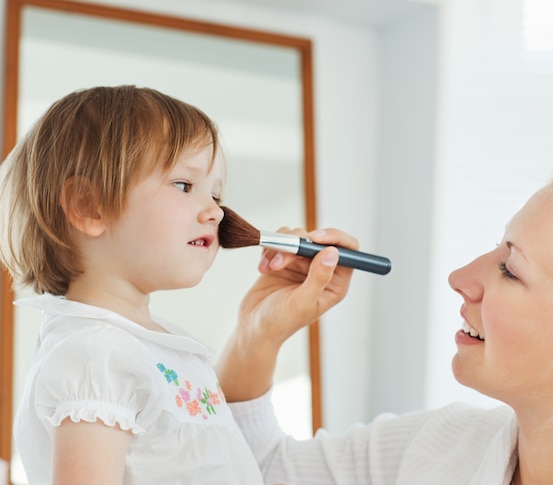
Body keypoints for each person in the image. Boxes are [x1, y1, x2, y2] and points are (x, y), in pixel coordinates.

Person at [0, 85, 354, 485]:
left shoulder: (157, 346)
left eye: (216, 193)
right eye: (185, 186)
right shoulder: (96, 354)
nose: (216, 212)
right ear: (89, 206)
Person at [215, 164, 553, 484]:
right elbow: (256, 468)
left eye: (510, 270)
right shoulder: (437, 445)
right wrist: (258, 333)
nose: (459, 278)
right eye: (494, 247)